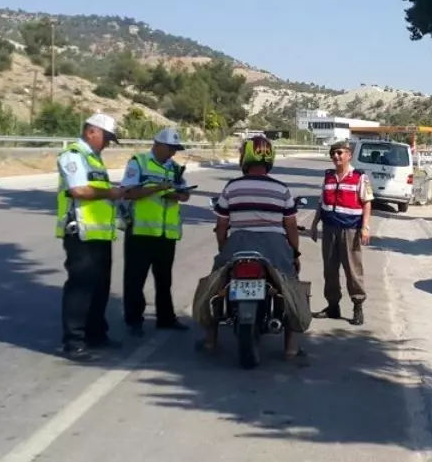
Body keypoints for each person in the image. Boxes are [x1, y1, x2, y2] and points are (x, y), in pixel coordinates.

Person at [205, 135, 304, 358]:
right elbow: (291, 226)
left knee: (214, 284)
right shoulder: (281, 189)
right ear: (270, 159)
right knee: (290, 288)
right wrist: (294, 253)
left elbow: (221, 224)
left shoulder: (232, 187)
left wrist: (223, 248)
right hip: (275, 247)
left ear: (245, 157)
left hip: (238, 244)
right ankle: (291, 347)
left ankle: (210, 340)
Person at [56, 113, 124, 361]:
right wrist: (112, 192)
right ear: (91, 132)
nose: (107, 143)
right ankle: (74, 341)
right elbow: (79, 190)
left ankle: (96, 334)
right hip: (81, 233)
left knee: (100, 287)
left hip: (99, 234)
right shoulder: (73, 155)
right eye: (106, 137)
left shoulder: (94, 159)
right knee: (80, 288)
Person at [118, 128, 192, 337]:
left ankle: (166, 319)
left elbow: (185, 195)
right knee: (135, 279)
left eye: (175, 150)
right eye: (170, 148)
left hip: (165, 234)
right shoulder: (138, 163)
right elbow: (128, 192)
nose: (173, 154)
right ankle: (134, 320)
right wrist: (157, 188)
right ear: (157, 145)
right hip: (141, 232)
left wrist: (177, 194)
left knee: (164, 280)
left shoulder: (175, 168)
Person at [309, 140, 372, 326]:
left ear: (349, 155)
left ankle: (358, 306)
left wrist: (365, 227)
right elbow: (322, 203)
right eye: (333, 153)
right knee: (330, 270)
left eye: (340, 153)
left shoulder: (360, 177)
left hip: (350, 229)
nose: (336, 156)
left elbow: (367, 202)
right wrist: (314, 224)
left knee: (353, 270)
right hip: (329, 229)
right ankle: (333, 306)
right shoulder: (328, 177)